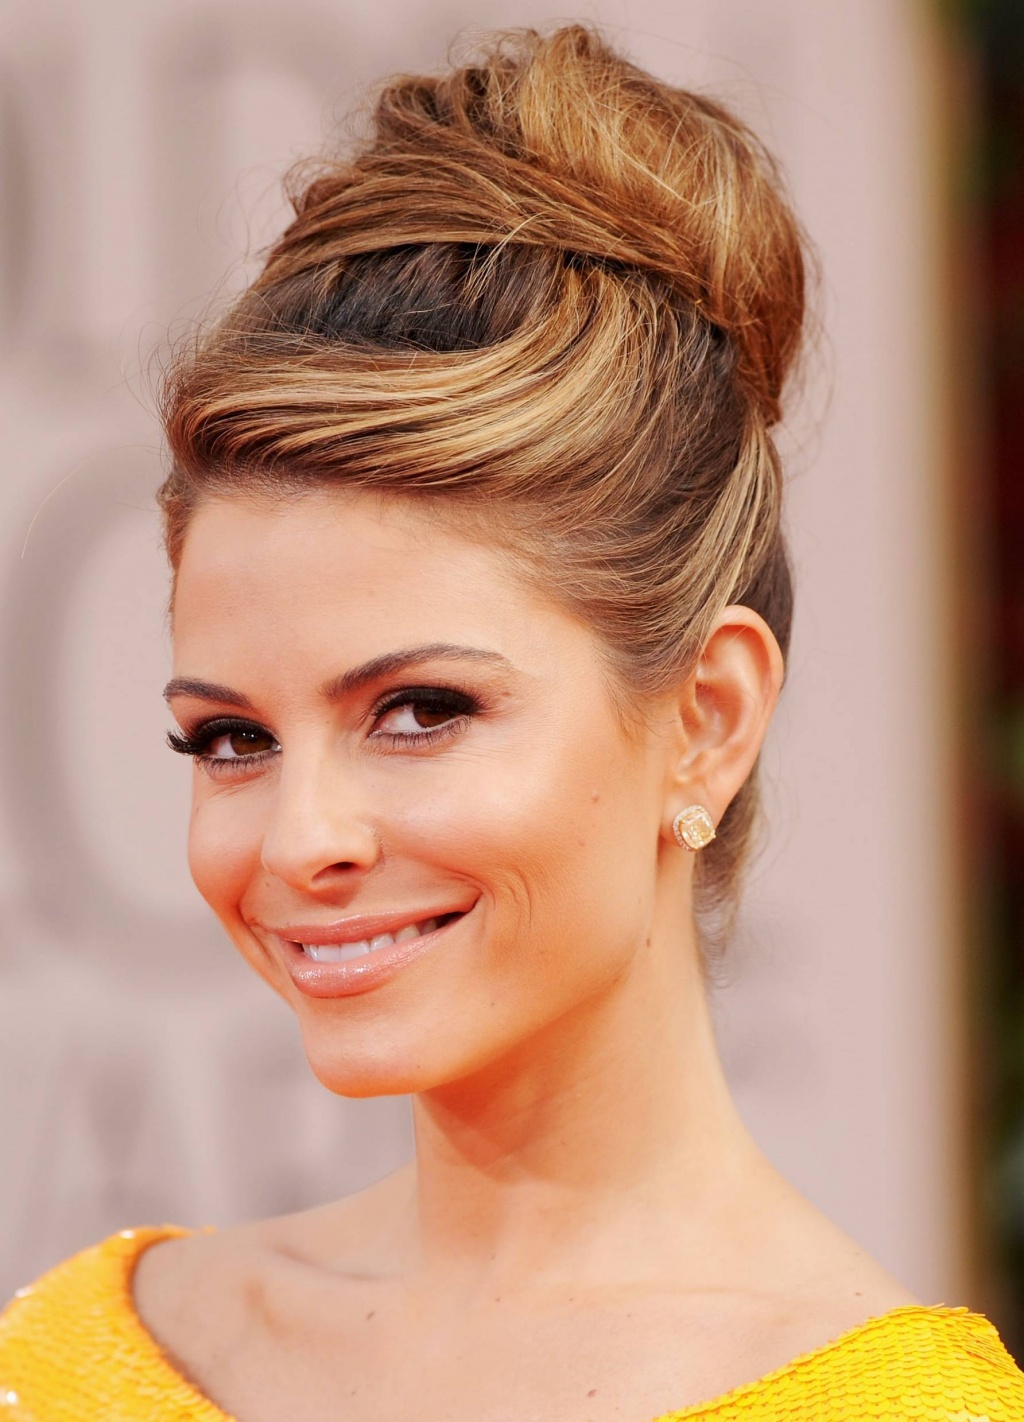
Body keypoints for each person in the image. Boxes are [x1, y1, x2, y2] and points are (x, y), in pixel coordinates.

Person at [2, 22, 1022, 1421]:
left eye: (420, 710)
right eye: (232, 739)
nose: (299, 841)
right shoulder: (68, 1365)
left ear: (708, 719)